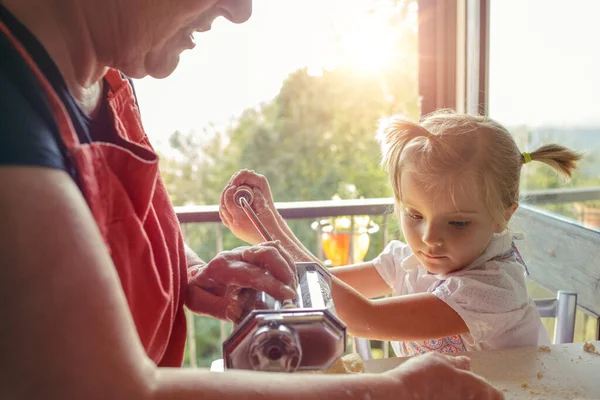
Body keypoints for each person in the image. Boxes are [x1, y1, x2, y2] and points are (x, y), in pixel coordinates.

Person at [0, 0, 504, 399]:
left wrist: (191, 273)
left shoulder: (111, 76)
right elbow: (99, 390)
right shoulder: (12, 99)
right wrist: (388, 392)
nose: (241, 9)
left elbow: (117, 231)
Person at [220, 111, 582, 357]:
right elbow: (323, 290)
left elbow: (363, 318)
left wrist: (272, 231)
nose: (429, 238)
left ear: (504, 215)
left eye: (457, 223)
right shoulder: (407, 260)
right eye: (414, 214)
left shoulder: (494, 289)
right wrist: (268, 231)